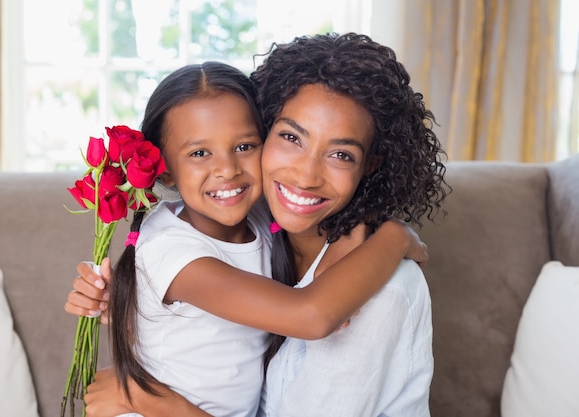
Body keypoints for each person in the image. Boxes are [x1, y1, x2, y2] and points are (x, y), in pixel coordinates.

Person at [68, 32, 448, 416]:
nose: (228, 170)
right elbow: (307, 314)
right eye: (291, 137)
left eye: (244, 146)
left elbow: (303, 308)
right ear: (165, 170)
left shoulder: (270, 221)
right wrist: (396, 236)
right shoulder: (183, 245)